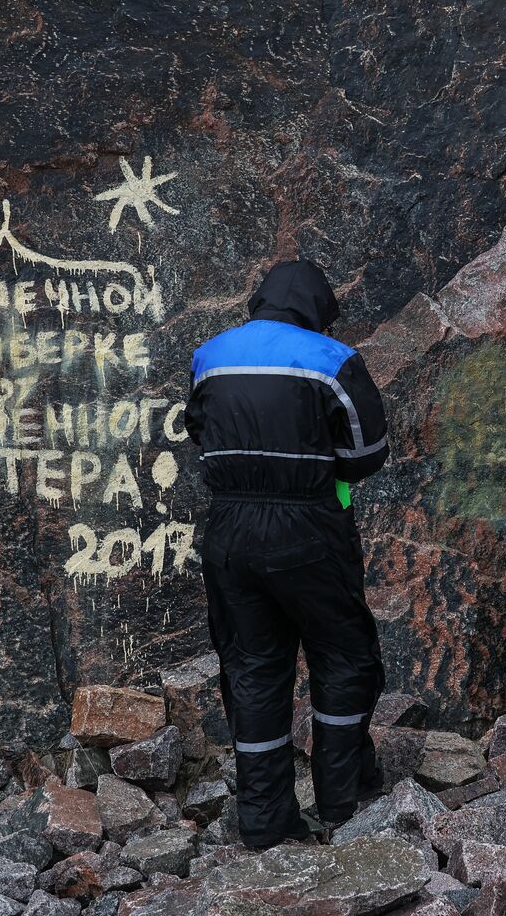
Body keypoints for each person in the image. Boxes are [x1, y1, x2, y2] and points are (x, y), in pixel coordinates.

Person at [185, 258, 390, 848]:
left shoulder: (211, 354)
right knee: (344, 656)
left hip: (229, 531)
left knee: (251, 667)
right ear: (318, 308)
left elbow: (200, 429)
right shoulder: (332, 359)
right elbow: (367, 449)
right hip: (308, 528)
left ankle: (266, 819)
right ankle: (342, 801)